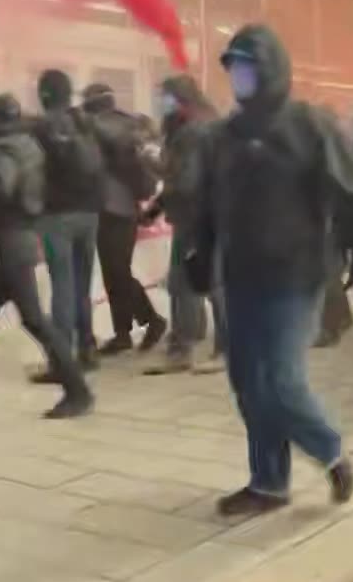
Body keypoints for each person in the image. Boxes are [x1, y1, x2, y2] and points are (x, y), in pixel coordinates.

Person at [189, 24, 353, 516]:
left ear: (272, 69)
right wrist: (199, 251)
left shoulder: (308, 124)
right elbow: (209, 203)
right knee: (248, 383)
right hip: (239, 275)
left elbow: (351, 189)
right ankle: (268, 481)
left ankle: (330, 451)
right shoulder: (224, 136)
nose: (240, 78)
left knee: (280, 379)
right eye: (234, 69)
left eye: (248, 67)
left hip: (295, 277)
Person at [0, 94, 94, 422]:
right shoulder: (29, 144)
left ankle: (78, 391)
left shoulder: (1, 150)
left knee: (34, 320)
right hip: (21, 239)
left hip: (11, 243)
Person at [141, 73, 226, 374]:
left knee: (189, 281)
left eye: (164, 95)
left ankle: (189, 347)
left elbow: (185, 179)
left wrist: (152, 161)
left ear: (179, 98)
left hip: (197, 214)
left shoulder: (191, 131)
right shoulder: (208, 121)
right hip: (210, 211)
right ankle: (197, 342)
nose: (159, 102)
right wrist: (158, 207)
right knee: (205, 279)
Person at [84, 83, 168, 356]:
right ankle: (122, 334)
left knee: (117, 271)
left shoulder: (99, 128)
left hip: (113, 209)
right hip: (121, 207)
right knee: (114, 272)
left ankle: (152, 321)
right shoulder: (127, 124)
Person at [31, 70, 105, 379]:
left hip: (56, 215)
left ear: (44, 94)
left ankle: (62, 361)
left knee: (62, 286)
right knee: (82, 285)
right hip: (90, 213)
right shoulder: (85, 122)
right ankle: (87, 349)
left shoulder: (41, 127)